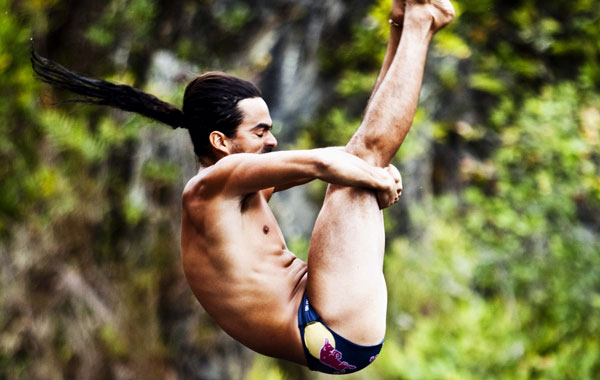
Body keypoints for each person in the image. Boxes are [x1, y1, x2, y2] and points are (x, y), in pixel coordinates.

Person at [32, 0, 454, 374]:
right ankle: (422, 18)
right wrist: (373, 173)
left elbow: (348, 154)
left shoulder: (241, 191)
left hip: (330, 328)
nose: (271, 141)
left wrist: (369, 169)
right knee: (363, 159)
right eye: (260, 131)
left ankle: (405, 23)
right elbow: (333, 161)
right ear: (220, 141)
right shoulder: (209, 187)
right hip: (326, 327)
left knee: (361, 158)